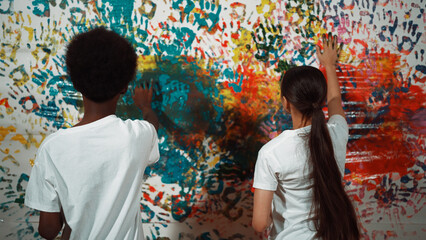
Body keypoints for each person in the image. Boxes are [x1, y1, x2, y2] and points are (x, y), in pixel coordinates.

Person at [25, 27, 160, 240]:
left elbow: (48, 231)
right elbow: (152, 125)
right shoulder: (138, 136)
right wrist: (145, 106)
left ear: (76, 84)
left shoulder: (53, 148)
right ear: (124, 87)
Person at [252, 34, 360, 240]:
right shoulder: (337, 132)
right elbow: (336, 100)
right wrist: (329, 64)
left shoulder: (271, 153)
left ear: (285, 102)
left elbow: (259, 223)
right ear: (320, 100)